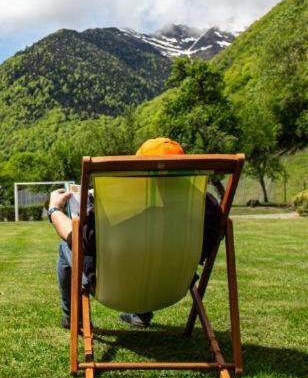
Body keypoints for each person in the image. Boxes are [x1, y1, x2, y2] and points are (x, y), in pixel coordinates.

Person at [48, 137, 225, 329]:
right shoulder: (207, 208)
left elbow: (75, 240)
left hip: (113, 289)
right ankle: (140, 314)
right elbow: (207, 247)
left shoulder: (121, 210)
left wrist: (54, 210)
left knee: (65, 248)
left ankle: (73, 317)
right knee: (153, 249)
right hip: (171, 289)